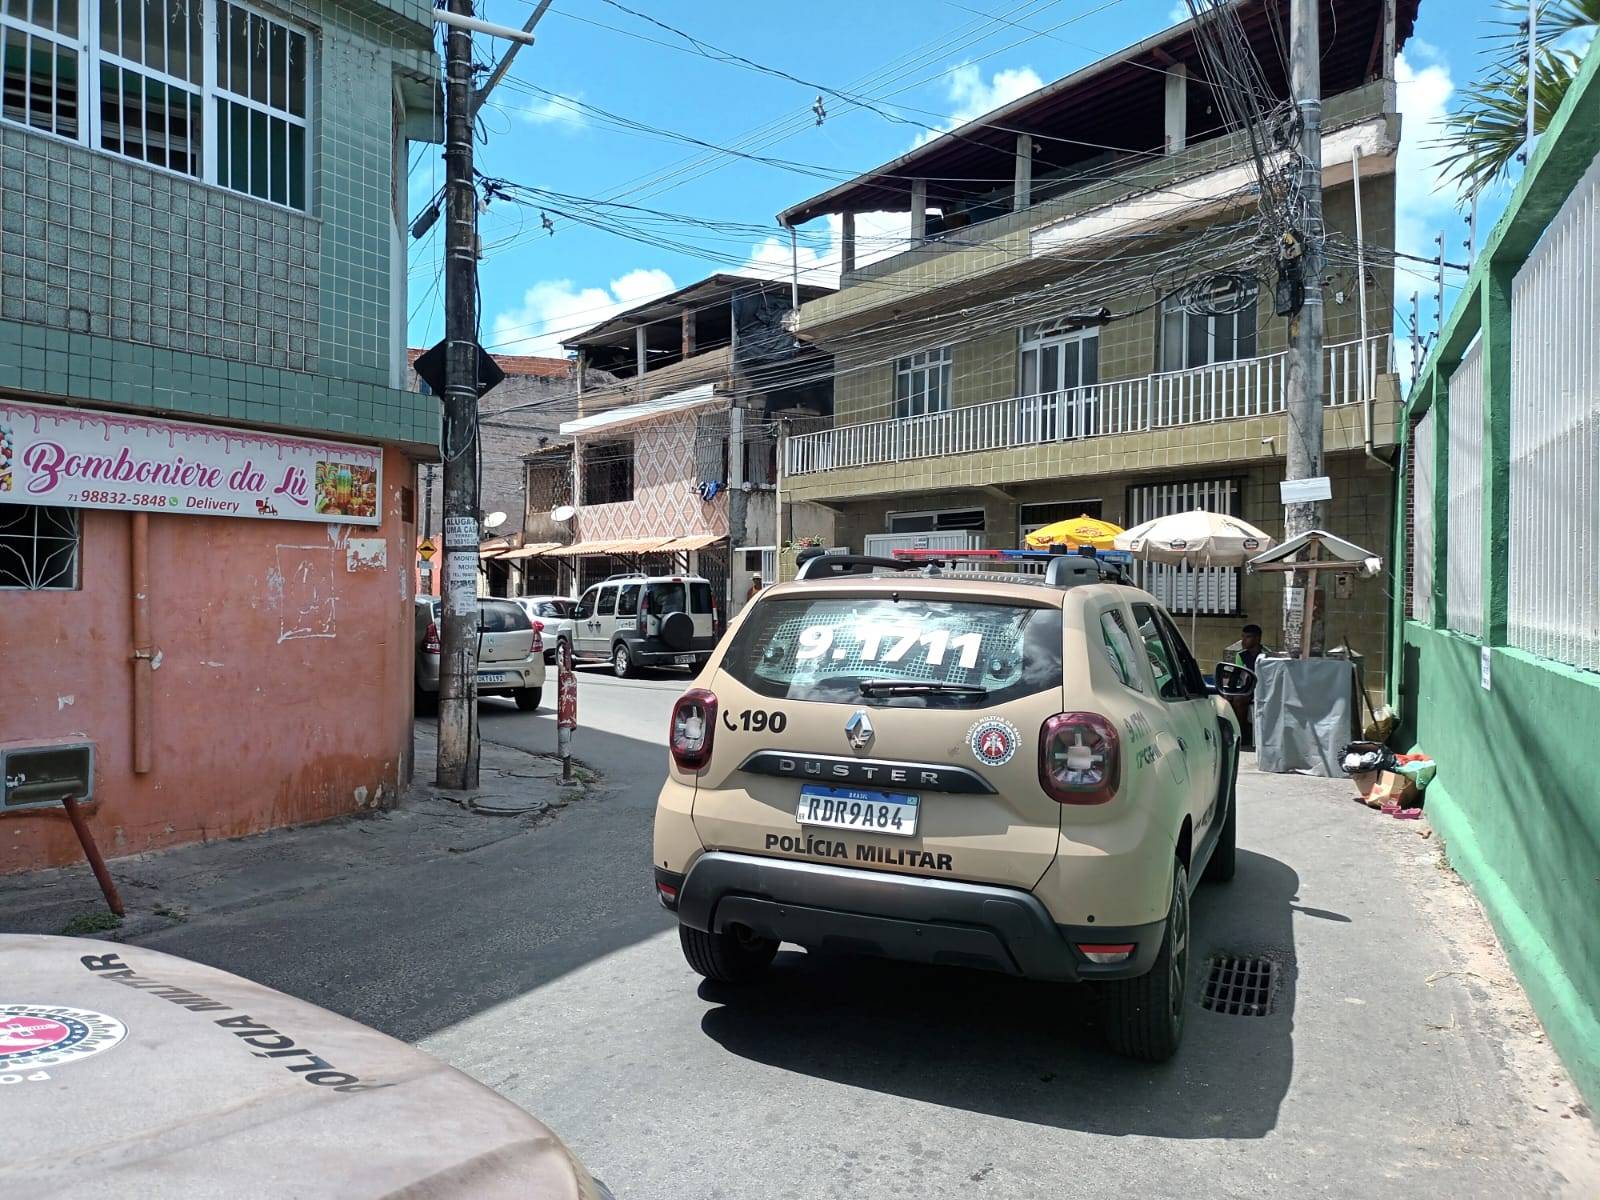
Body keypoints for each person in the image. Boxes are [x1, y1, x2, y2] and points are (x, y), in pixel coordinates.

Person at [1224, 624, 1275, 751]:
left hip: (1262, 689)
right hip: (1247, 687)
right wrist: (1229, 691)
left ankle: (1242, 734)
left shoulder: (1266, 655)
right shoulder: (1241, 655)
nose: (1243, 640)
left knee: (1239, 700)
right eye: (1243, 637)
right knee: (1227, 698)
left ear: (1257, 638)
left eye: (1248, 637)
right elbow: (1236, 674)